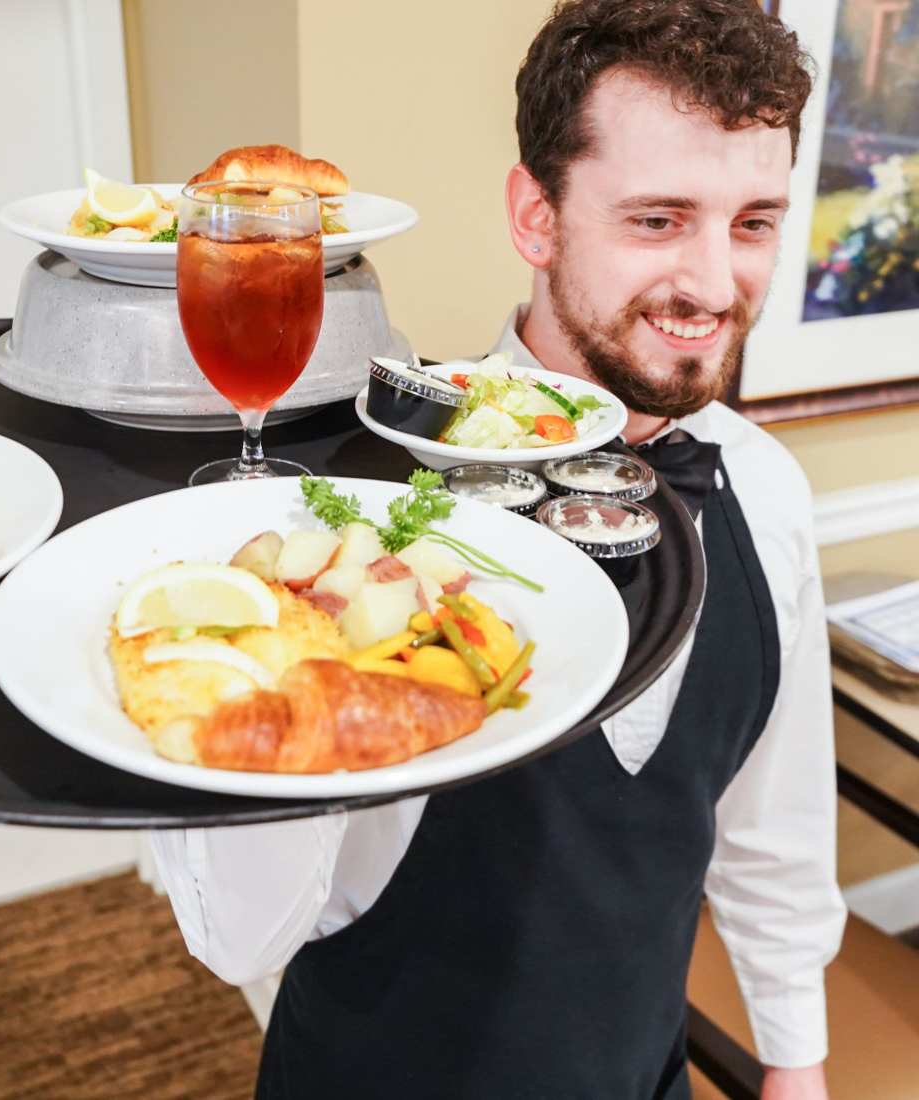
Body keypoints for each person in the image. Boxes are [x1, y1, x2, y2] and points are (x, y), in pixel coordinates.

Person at [151, 2, 848, 1097]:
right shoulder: (367, 503)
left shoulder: (767, 486)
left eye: (752, 222)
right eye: (660, 220)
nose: (716, 286)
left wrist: (794, 1060)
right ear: (536, 215)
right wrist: (302, 651)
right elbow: (234, 940)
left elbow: (774, 827)